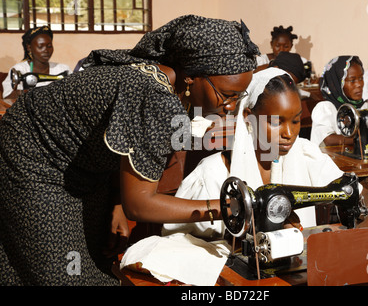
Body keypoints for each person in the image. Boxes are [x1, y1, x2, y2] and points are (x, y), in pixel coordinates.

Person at [0, 15, 259, 285]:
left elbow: (121, 145)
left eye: (238, 97)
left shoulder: (167, 81)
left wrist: (116, 202)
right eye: (226, 95)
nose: (230, 107)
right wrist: (224, 209)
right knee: (64, 272)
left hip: (83, 163)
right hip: (32, 156)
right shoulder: (155, 97)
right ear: (193, 78)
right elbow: (140, 204)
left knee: (96, 260)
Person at [162, 68, 368, 239]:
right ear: (249, 117)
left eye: (296, 120)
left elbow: (362, 194)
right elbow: (176, 242)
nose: (289, 133)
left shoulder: (305, 154)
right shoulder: (213, 174)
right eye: (277, 122)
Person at [2, 25, 72, 99]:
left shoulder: (62, 69)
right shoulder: (19, 70)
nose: (46, 50)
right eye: (40, 46)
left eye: (49, 46)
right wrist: (20, 92)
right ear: (29, 47)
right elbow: (7, 99)